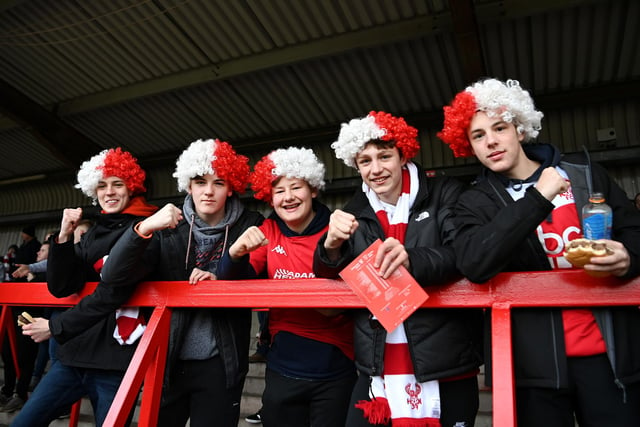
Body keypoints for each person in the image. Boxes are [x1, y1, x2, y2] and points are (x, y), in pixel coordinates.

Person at [438, 78, 640, 427]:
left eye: (499, 128)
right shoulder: (472, 201)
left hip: (610, 358)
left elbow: (635, 233)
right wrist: (538, 198)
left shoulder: (586, 175)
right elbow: (474, 263)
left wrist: (628, 258)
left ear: (519, 128)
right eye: (478, 136)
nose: (491, 142)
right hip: (532, 367)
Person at [313, 111, 482, 427]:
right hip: (377, 363)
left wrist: (412, 259)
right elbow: (327, 279)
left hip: (444, 359)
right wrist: (329, 245)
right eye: (365, 161)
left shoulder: (445, 193)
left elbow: (467, 254)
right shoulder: (354, 210)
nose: (375, 169)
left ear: (403, 155)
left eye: (384, 156)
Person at [100, 138, 264, 427]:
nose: (209, 191)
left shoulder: (252, 226)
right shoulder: (166, 227)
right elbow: (113, 274)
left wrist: (223, 279)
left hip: (221, 362)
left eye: (219, 183)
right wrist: (145, 226)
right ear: (189, 186)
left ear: (232, 188)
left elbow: (259, 282)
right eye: (200, 182)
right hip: (168, 360)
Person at [15, 148, 158, 426]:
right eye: (102, 186)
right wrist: (65, 236)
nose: (109, 192)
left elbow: (112, 293)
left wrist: (55, 327)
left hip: (115, 363)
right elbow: (61, 286)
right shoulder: (95, 231)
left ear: (133, 187)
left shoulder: (147, 229)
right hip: (73, 358)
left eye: (118, 184)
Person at [217, 147, 356, 427]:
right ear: (270, 197)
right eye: (279, 191)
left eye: (296, 187)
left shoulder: (337, 228)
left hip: (337, 368)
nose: (288, 197)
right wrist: (235, 254)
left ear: (313, 189)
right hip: (283, 367)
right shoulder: (268, 230)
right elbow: (233, 284)